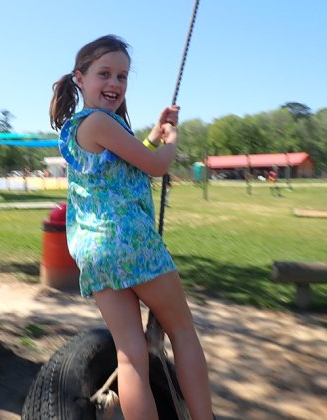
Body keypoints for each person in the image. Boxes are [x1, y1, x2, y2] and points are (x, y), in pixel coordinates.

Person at [50, 34, 213, 420]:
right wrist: (171, 142)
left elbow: (119, 163)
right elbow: (155, 166)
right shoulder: (102, 122)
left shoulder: (76, 129)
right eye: (104, 74)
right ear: (80, 78)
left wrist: (151, 137)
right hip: (130, 242)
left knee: (131, 354)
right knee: (183, 332)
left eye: (122, 77)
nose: (115, 84)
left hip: (93, 251)